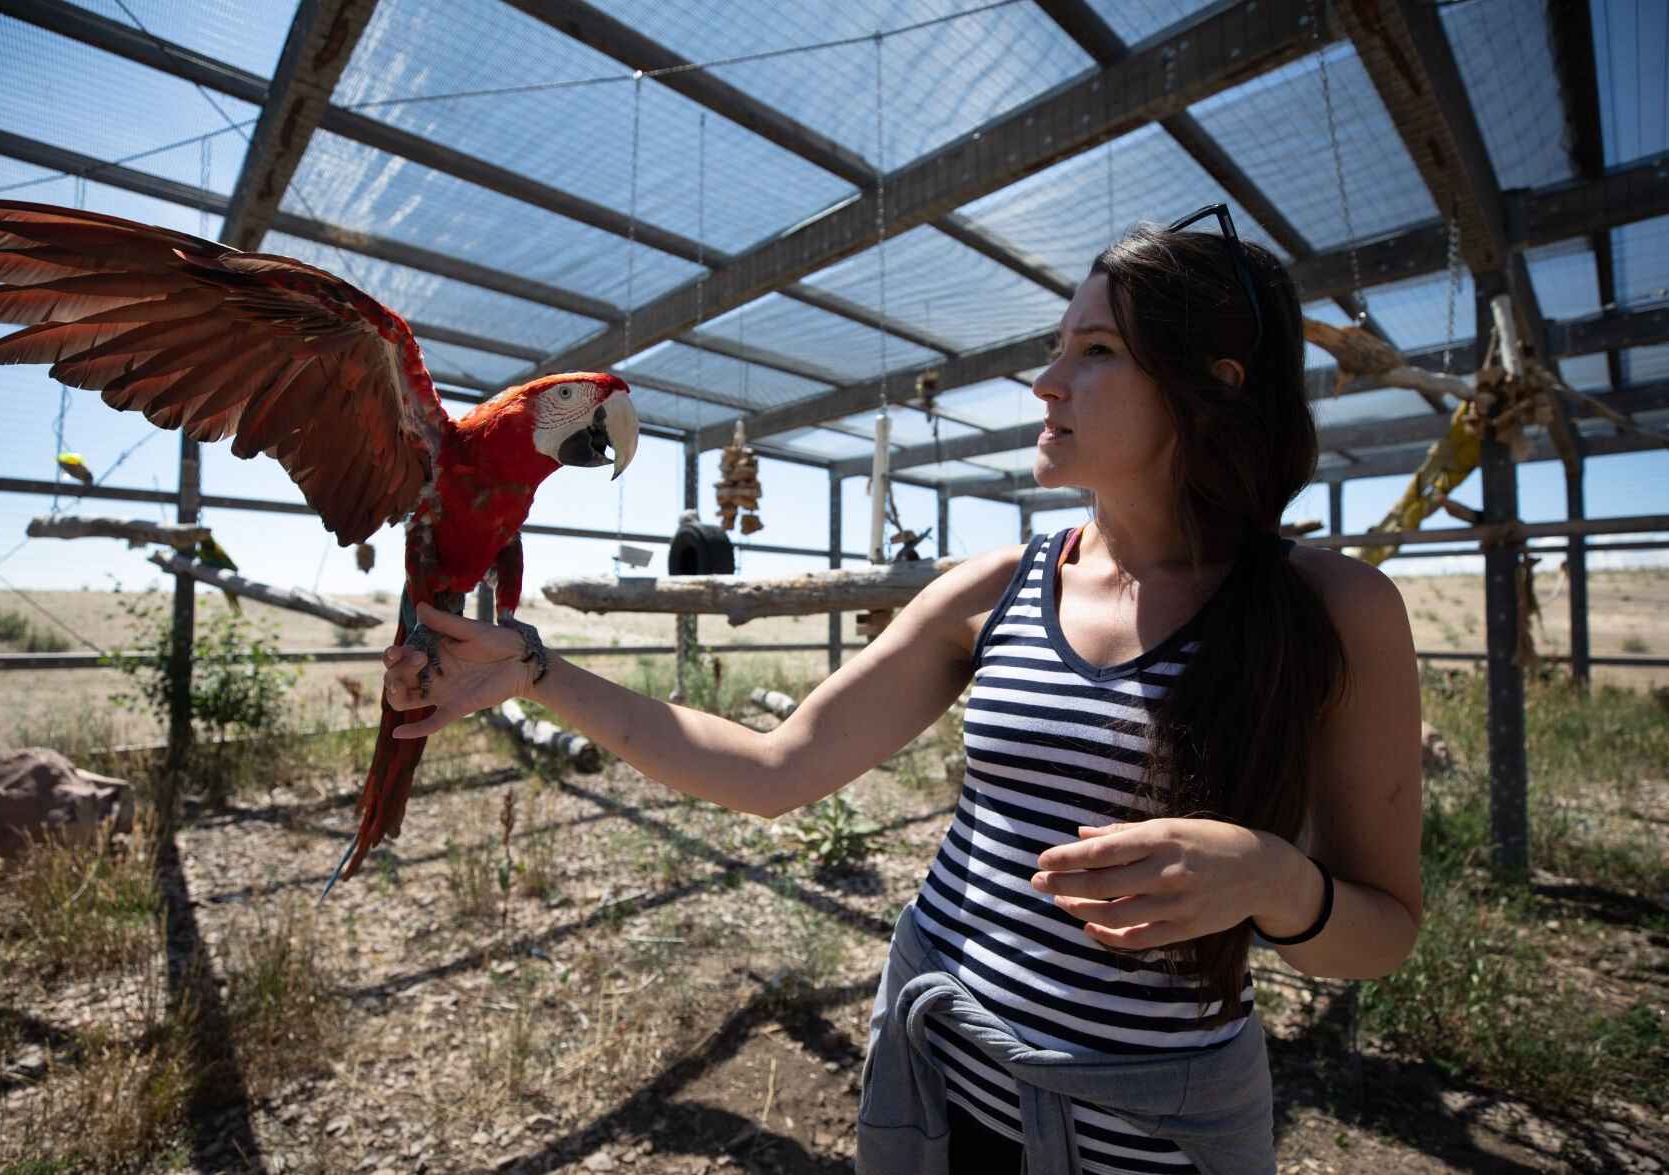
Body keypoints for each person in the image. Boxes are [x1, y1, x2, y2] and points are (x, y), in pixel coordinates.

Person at [381, 208, 1423, 1174]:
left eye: (1093, 351)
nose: (1043, 382)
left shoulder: (1331, 607)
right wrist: (533, 669)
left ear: (1217, 386)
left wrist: (1271, 879)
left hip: (1157, 1133)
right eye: (1057, 344)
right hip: (929, 1090)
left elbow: (1381, 929)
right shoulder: (996, 586)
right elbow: (772, 767)